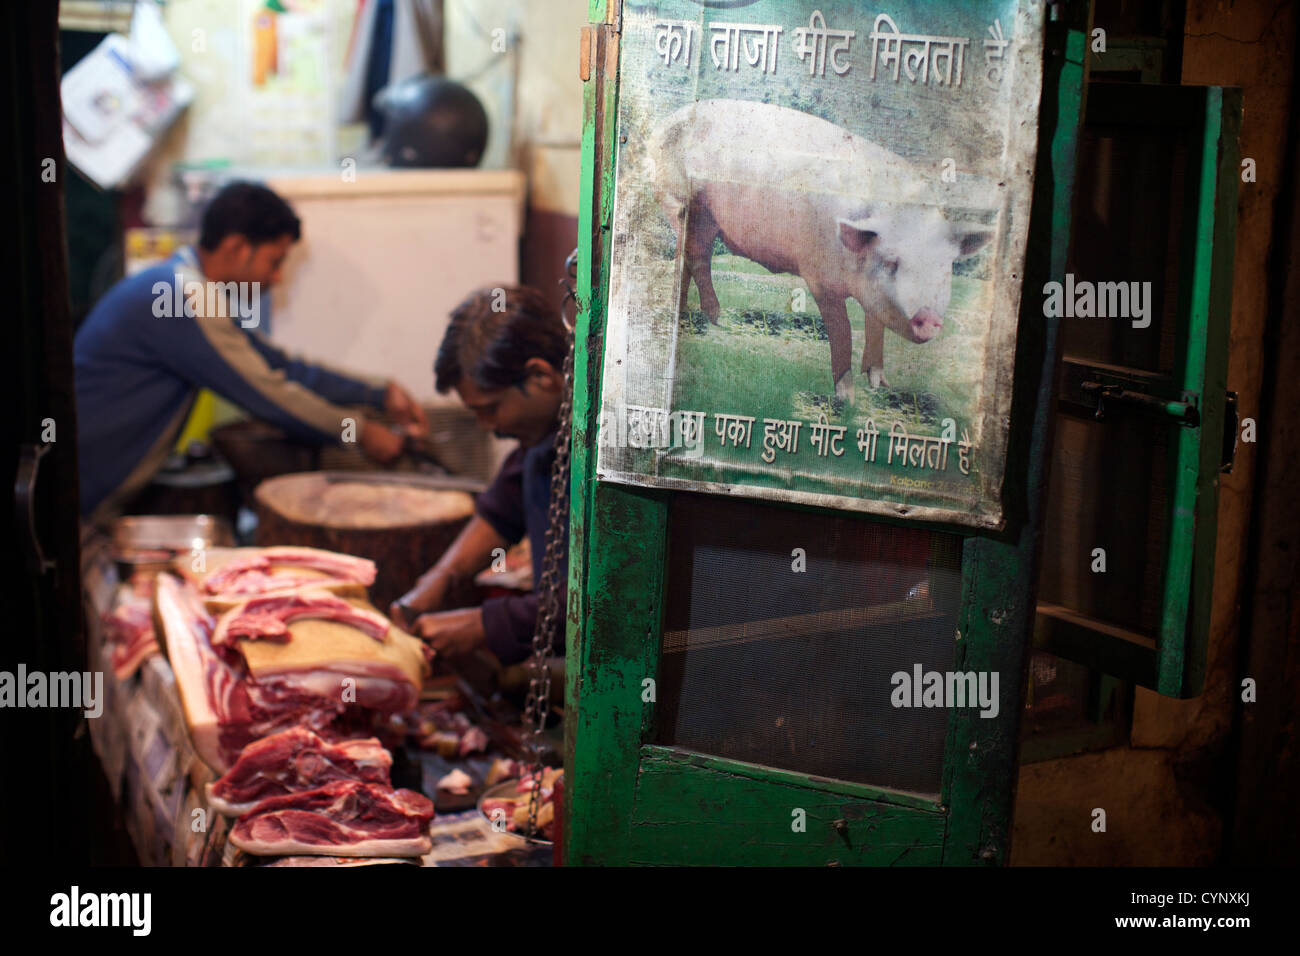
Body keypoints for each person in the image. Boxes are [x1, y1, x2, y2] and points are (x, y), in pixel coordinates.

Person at [74, 181, 427, 524]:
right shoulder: (183, 296)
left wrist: (379, 392)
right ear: (238, 247)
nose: (277, 278)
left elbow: (281, 368)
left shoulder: (182, 288)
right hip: (74, 500)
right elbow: (269, 394)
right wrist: (359, 432)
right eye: (275, 261)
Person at [391, 285, 569, 667]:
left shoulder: (605, 442)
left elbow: (601, 602)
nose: (487, 426)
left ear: (540, 376)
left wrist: (483, 625)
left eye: (490, 409)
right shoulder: (543, 435)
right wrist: (435, 583)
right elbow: (504, 508)